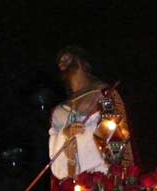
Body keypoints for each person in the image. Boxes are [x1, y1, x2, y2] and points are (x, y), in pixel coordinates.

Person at [49, 46, 136, 181]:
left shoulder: (104, 95)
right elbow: (56, 164)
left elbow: (118, 147)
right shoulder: (59, 111)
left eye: (68, 55)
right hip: (76, 190)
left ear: (84, 62)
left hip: (105, 185)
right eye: (60, 59)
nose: (62, 60)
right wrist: (65, 135)